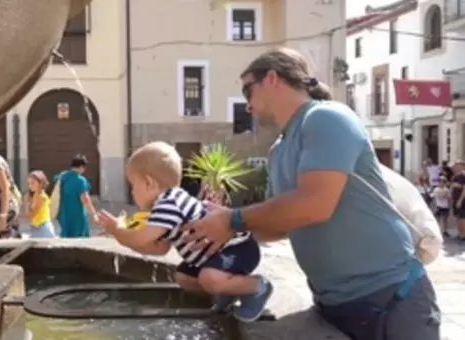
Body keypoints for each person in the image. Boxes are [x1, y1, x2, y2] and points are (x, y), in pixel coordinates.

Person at [180, 48, 440, 340]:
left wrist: (235, 219)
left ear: (272, 78)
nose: (247, 105)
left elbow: (315, 205)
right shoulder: (279, 149)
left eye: (247, 89)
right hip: (335, 306)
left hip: (392, 300)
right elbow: (280, 225)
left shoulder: (326, 117)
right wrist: (223, 231)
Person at [96, 141, 272, 322]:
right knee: (183, 278)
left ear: (149, 183)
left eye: (133, 185)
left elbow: (142, 238)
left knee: (209, 279)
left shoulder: (169, 202)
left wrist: (117, 230)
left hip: (237, 249)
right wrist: (122, 237)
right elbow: (158, 248)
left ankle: (257, 286)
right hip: (212, 257)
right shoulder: (164, 206)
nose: (132, 192)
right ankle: (229, 291)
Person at [54, 154, 98, 238]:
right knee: (79, 240)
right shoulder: (80, 180)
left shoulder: (62, 177)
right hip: (77, 215)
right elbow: (85, 199)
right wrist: (93, 214)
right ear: (81, 167)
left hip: (63, 214)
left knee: (66, 239)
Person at [22, 170, 56, 238]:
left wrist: (26, 202)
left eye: (33, 183)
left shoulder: (40, 197)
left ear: (40, 183)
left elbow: (30, 215)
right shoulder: (36, 195)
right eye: (29, 183)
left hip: (42, 229)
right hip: (38, 228)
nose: (30, 186)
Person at [451, 160, 465, 241]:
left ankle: (463, 235)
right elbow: (452, 187)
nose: (455, 167)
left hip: (462, 200)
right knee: (457, 217)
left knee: (462, 217)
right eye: (455, 165)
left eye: (457, 165)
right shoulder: (455, 176)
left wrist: (460, 200)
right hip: (455, 199)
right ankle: (460, 234)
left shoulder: (463, 175)